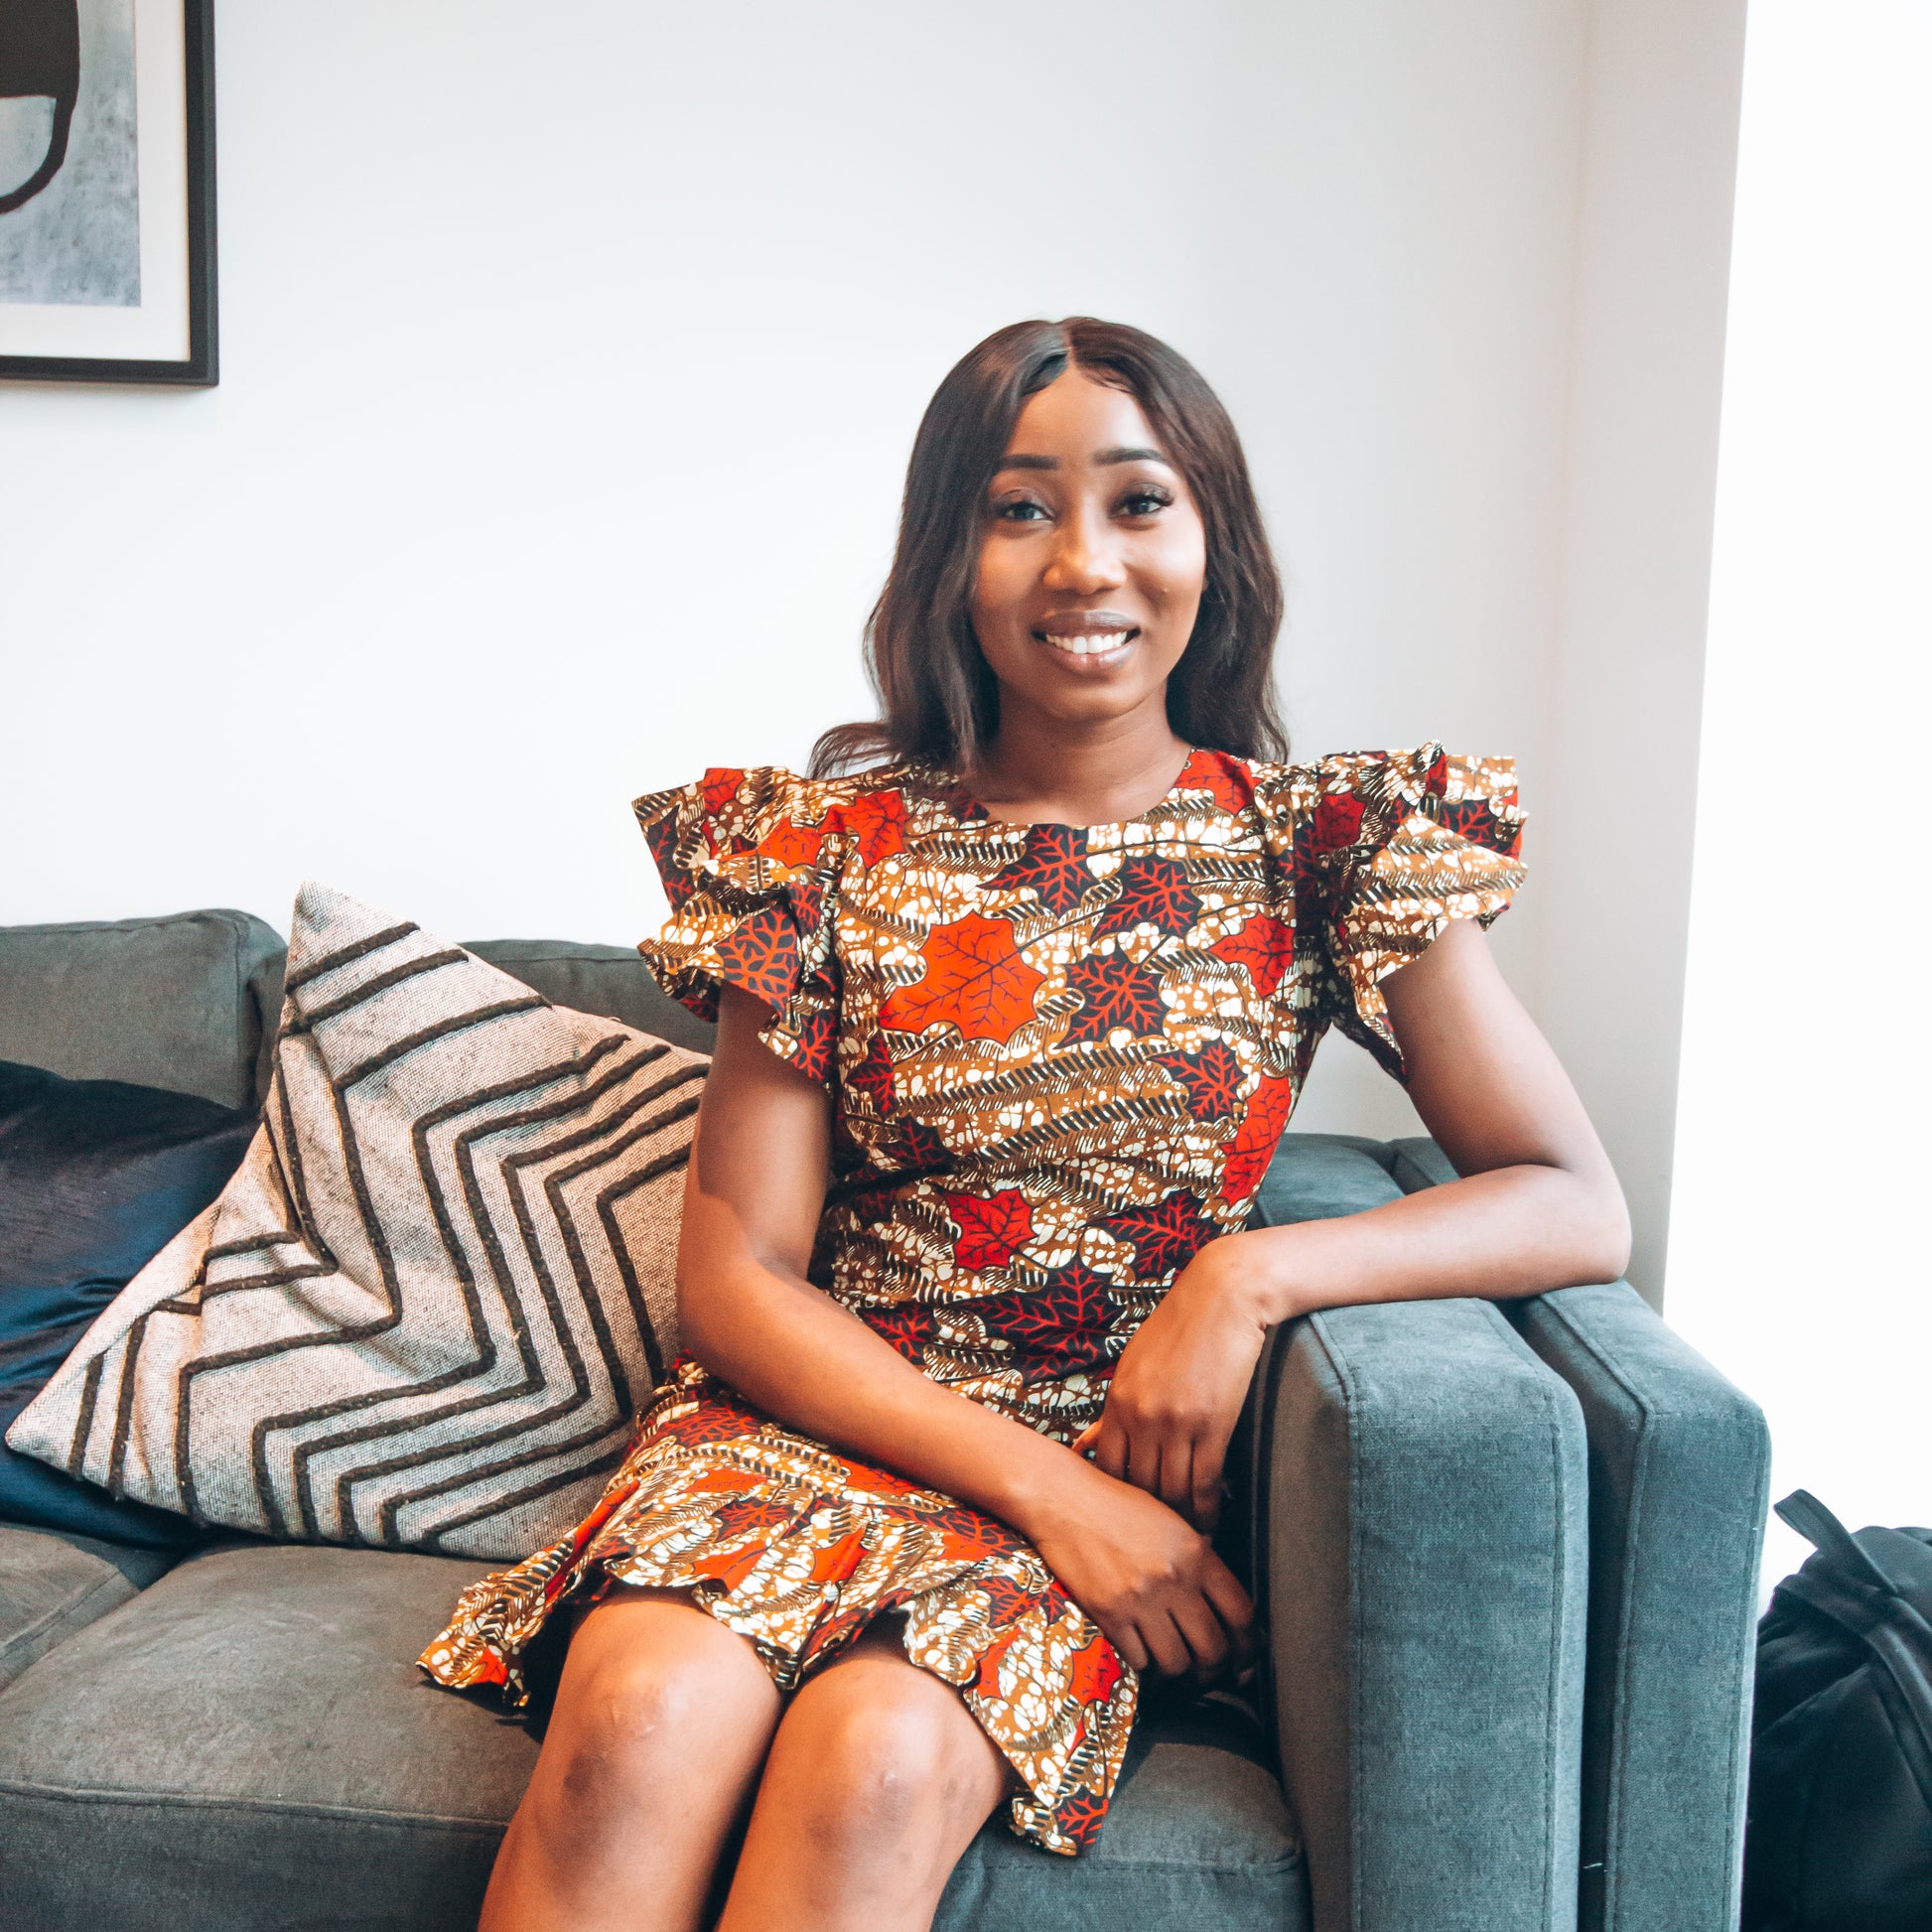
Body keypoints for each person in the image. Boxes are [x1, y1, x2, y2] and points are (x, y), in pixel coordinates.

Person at [418, 317, 1630, 1932]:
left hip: (1095, 1461)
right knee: (635, 1723)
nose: (1082, 564)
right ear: (947, 551)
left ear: (1213, 541)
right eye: (1016, 508)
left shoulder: (1317, 845)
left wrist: (1248, 1281)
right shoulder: (821, 844)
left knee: (876, 1764)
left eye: (1138, 503)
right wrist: (1055, 1497)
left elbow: (1568, 1198)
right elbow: (740, 1274)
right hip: (812, 1435)